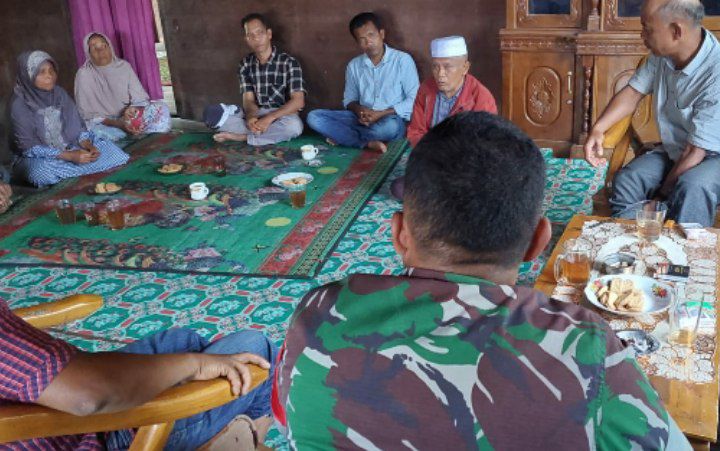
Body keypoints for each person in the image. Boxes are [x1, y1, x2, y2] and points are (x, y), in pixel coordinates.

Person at [274, 112, 690, 450]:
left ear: (399, 233)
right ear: (538, 241)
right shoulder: (584, 345)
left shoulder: (317, 315)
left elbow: (288, 420)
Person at [0, 298, 277, 450]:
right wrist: (196, 366)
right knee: (256, 350)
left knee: (180, 341)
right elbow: (89, 396)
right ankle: (247, 443)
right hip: (93, 436)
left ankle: (228, 434)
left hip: (60, 403)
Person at [585, 0, 720, 226]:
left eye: (647, 29)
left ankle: (684, 246)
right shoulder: (662, 55)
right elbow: (632, 93)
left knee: (693, 187)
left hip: (712, 156)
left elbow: (695, 153)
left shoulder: (716, 73)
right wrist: (598, 129)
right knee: (628, 180)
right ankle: (633, 241)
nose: (642, 35)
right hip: (678, 149)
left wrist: (659, 199)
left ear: (676, 31)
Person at [10, 51, 130, 187]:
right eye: (41, 72)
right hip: (38, 158)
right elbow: (29, 148)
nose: (49, 76)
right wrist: (69, 156)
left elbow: (77, 127)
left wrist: (89, 146)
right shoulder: (19, 104)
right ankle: (77, 168)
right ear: (28, 76)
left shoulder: (59, 93)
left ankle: (69, 171)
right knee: (40, 173)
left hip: (70, 147)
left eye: (51, 71)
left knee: (113, 151)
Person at [306, 12, 419, 152]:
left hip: (390, 118)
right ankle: (366, 143)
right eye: (362, 39)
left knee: (390, 128)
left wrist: (381, 114)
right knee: (314, 117)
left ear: (382, 34)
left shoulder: (402, 60)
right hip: (361, 119)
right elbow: (349, 100)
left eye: (371, 35)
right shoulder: (354, 65)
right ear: (357, 42)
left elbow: (414, 99)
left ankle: (343, 136)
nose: (368, 42)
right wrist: (360, 111)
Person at [204, 13, 305, 146]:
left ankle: (243, 137)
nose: (256, 38)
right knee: (212, 116)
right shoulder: (245, 64)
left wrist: (269, 118)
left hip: (281, 116)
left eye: (259, 33)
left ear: (269, 34)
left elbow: (298, 101)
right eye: (250, 35)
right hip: (257, 114)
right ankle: (261, 133)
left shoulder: (289, 62)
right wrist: (251, 117)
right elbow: (249, 100)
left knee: (294, 127)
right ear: (246, 39)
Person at [75, 32, 171, 142]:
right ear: (88, 53)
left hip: (126, 117)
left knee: (162, 109)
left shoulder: (124, 67)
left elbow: (139, 98)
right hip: (104, 123)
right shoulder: (84, 74)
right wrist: (118, 124)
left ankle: (134, 133)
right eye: (94, 47)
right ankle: (131, 134)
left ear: (110, 48)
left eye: (104, 45)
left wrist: (132, 110)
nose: (100, 50)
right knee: (95, 133)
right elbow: (87, 114)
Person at [406, 36, 497, 147]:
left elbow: (483, 142)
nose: (440, 74)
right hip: (430, 151)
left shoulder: (481, 97)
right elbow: (415, 132)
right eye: (435, 67)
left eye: (447, 67)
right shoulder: (426, 89)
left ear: (465, 68)